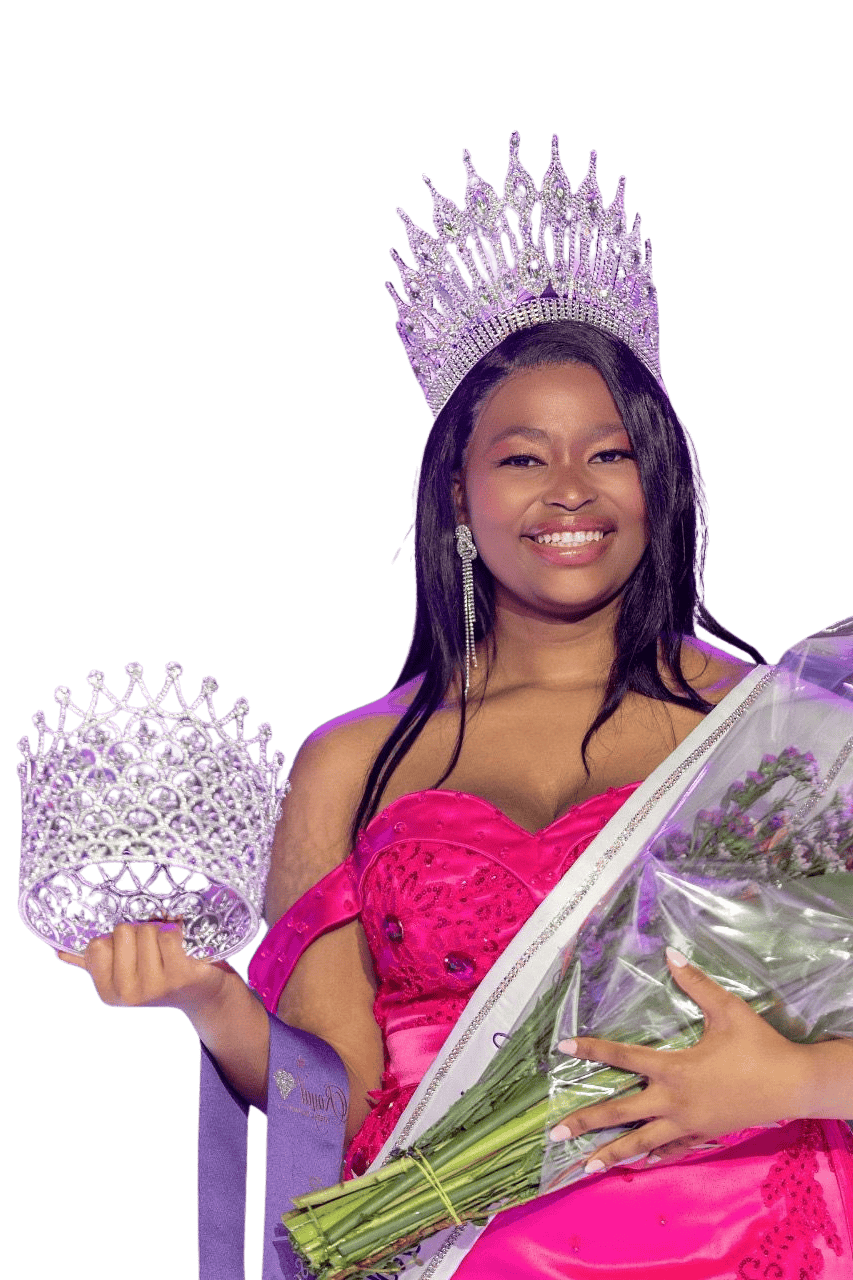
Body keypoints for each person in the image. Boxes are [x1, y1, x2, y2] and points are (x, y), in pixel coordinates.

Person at [55, 137, 853, 1278]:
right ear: (457, 491)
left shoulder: (780, 733)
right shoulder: (353, 760)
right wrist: (207, 999)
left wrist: (787, 1079)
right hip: (456, 1246)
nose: (570, 489)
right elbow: (330, 1079)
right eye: (523, 456)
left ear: (656, 479)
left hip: (742, 1230)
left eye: (610, 452)